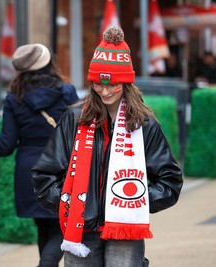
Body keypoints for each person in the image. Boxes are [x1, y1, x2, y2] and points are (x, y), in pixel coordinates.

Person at [32, 26, 183, 267]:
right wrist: (68, 204)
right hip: (80, 231)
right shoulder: (74, 120)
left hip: (126, 233)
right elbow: (44, 174)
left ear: (126, 83)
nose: (105, 91)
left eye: (113, 85)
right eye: (98, 84)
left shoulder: (143, 124)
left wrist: (137, 206)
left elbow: (170, 181)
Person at [0, 43, 79, 267]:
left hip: (29, 169)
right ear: (49, 64)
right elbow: (80, 133)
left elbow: (5, 145)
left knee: (43, 225)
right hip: (62, 165)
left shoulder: (14, 98)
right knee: (64, 226)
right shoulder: (67, 92)